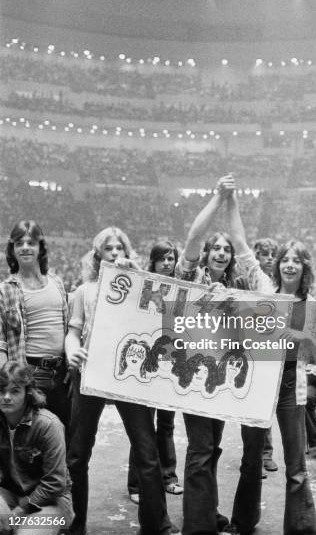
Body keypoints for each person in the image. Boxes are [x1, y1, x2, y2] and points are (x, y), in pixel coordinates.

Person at [227, 180, 316, 535]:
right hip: (258, 381)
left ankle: (301, 529)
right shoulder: (263, 288)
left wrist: (305, 339)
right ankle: (244, 522)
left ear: (305, 268)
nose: (289, 265)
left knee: (296, 464)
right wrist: (231, 199)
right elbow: (241, 244)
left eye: (296, 261)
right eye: (284, 259)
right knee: (251, 458)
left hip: (290, 384)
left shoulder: (312, 306)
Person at [65, 227, 172, 535]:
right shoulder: (84, 291)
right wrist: (72, 350)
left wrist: (135, 272)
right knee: (77, 454)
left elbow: (162, 301)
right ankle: (76, 525)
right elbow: (73, 332)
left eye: (119, 248)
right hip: (91, 374)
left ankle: (156, 525)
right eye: (108, 248)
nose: (114, 253)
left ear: (127, 252)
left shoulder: (139, 289)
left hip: (128, 375)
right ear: (97, 254)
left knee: (146, 450)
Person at [174, 179, 238, 535]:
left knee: (211, 448)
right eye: (216, 248)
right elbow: (193, 239)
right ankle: (197, 527)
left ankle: (206, 510)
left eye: (226, 250)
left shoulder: (236, 288)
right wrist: (218, 198)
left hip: (221, 375)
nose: (221, 253)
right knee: (200, 449)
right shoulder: (190, 277)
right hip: (193, 373)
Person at [0, 220, 71, 433]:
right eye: (19, 243)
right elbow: (1, 343)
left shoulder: (57, 283)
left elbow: (67, 329)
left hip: (61, 375)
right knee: (29, 444)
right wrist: (8, 380)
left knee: (63, 439)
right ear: (12, 250)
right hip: (28, 375)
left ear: (40, 248)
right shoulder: (5, 289)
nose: (25, 247)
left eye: (31, 242)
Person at [127, 241, 183, 505]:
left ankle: (168, 477)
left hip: (170, 363)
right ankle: (136, 483)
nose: (167, 263)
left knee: (167, 425)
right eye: (162, 259)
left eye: (171, 258)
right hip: (146, 365)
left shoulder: (182, 289)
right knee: (142, 427)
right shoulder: (144, 287)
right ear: (153, 261)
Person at [0, 361, 73, 535]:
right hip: (11, 494)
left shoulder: (48, 425)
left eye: (15, 391)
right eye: (1, 391)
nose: (6, 397)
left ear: (28, 393)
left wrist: (19, 512)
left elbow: (55, 484)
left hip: (54, 503)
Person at [236, 238, 278, 474]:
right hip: (246, 344)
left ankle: (266, 453)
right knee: (250, 405)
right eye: (264, 254)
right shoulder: (245, 280)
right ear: (256, 256)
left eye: (273, 254)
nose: (269, 258)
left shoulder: (278, 282)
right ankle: (252, 455)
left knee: (266, 403)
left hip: (269, 348)